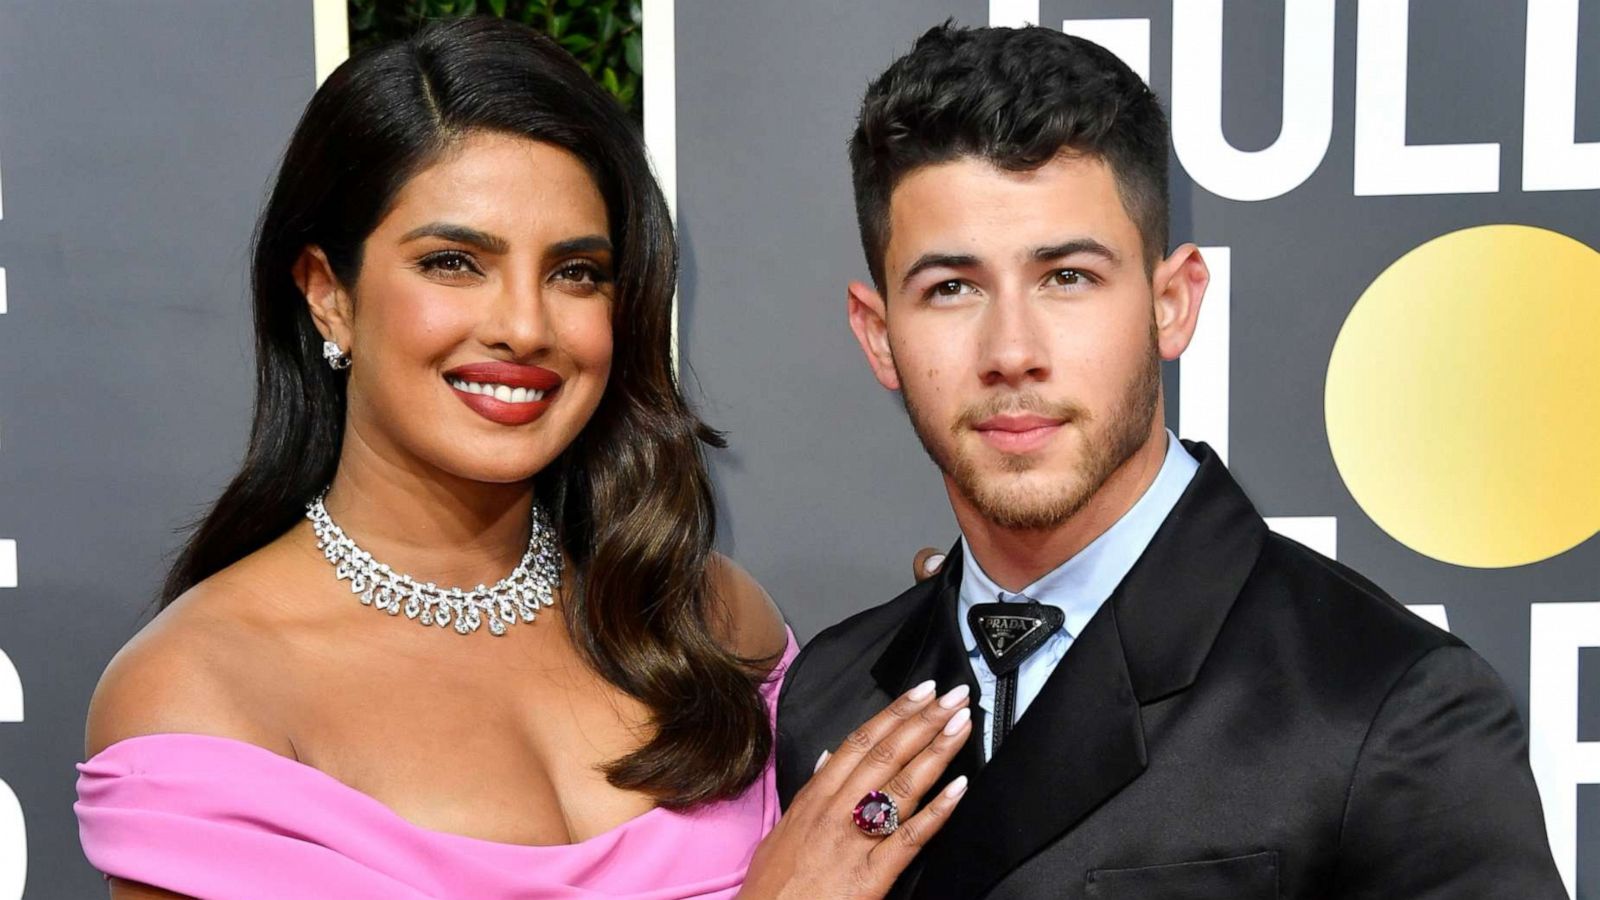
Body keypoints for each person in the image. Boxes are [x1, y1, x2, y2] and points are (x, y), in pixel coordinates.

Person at [75, 18, 970, 899]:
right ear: (327, 296)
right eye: (455, 262)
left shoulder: (710, 620)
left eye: (575, 272)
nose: (525, 327)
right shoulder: (204, 697)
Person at [774, 22, 1567, 899]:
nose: (1011, 350)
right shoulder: (833, 694)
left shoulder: (1384, 706)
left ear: (1173, 303)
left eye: (1067, 276)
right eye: (951, 288)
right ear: (879, 335)